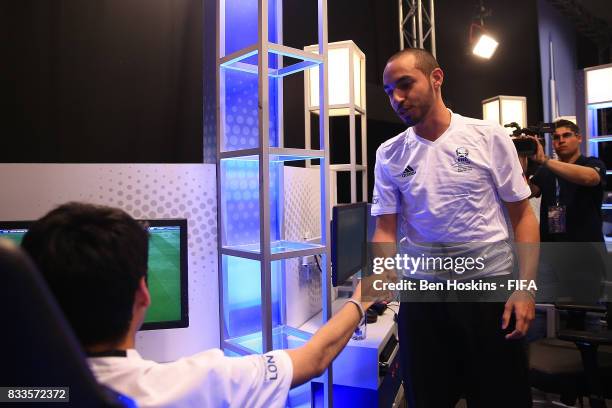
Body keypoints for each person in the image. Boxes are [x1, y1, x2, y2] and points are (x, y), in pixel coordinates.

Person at [21, 202, 378, 408]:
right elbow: (314, 358)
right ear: (142, 295)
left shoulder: (24, 392)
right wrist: (364, 298)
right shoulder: (203, 381)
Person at [371, 48, 540, 407]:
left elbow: (523, 216)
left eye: (405, 84)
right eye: (388, 91)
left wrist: (525, 289)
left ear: (436, 79)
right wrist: (381, 272)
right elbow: (385, 228)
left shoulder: (487, 136)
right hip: (424, 301)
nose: (396, 99)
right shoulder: (389, 153)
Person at [525, 119, 607, 242]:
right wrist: (521, 162)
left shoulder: (592, 163)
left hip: (587, 246)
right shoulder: (545, 170)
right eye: (556, 137)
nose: (561, 140)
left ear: (579, 138)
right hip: (552, 248)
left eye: (566, 135)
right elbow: (525, 193)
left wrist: (545, 160)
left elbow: (590, 178)